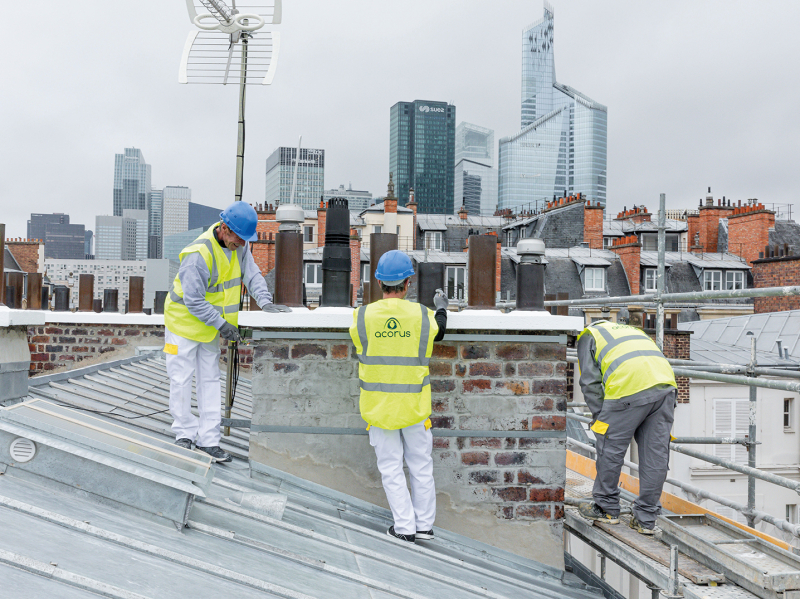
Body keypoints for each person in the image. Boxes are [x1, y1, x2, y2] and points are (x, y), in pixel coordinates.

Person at [163, 201, 290, 462]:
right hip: (183, 326)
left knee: (209, 380)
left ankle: (209, 440)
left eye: (245, 240)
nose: (242, 244)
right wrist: (222, 324)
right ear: (224, 229)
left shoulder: (240, 247)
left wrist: (265, 301)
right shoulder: (198, 255)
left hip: (209, 328)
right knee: (181, 379)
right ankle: (184, 434)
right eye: (238, 238)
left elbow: (252, 275)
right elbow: (194, 300)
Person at [349, 250, 448, 543]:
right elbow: (440, 331)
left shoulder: (362, 316)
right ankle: (425, 526)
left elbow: (358, 339)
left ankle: (404, 527)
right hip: (415, 407)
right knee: (421, 465)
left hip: (379, 408)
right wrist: (441, 308)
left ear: (379, 283)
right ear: (408, 284)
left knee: (391, 467)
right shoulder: (421, 315)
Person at [576, 319, 677, 534]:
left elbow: (590, 383)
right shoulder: (631, 330)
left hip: (628, 385)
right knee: (655, 454)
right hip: (665, 386)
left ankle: (606, 508)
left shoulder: (589, 334)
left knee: (610, 446)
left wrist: (600, 416)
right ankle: (646, 518)